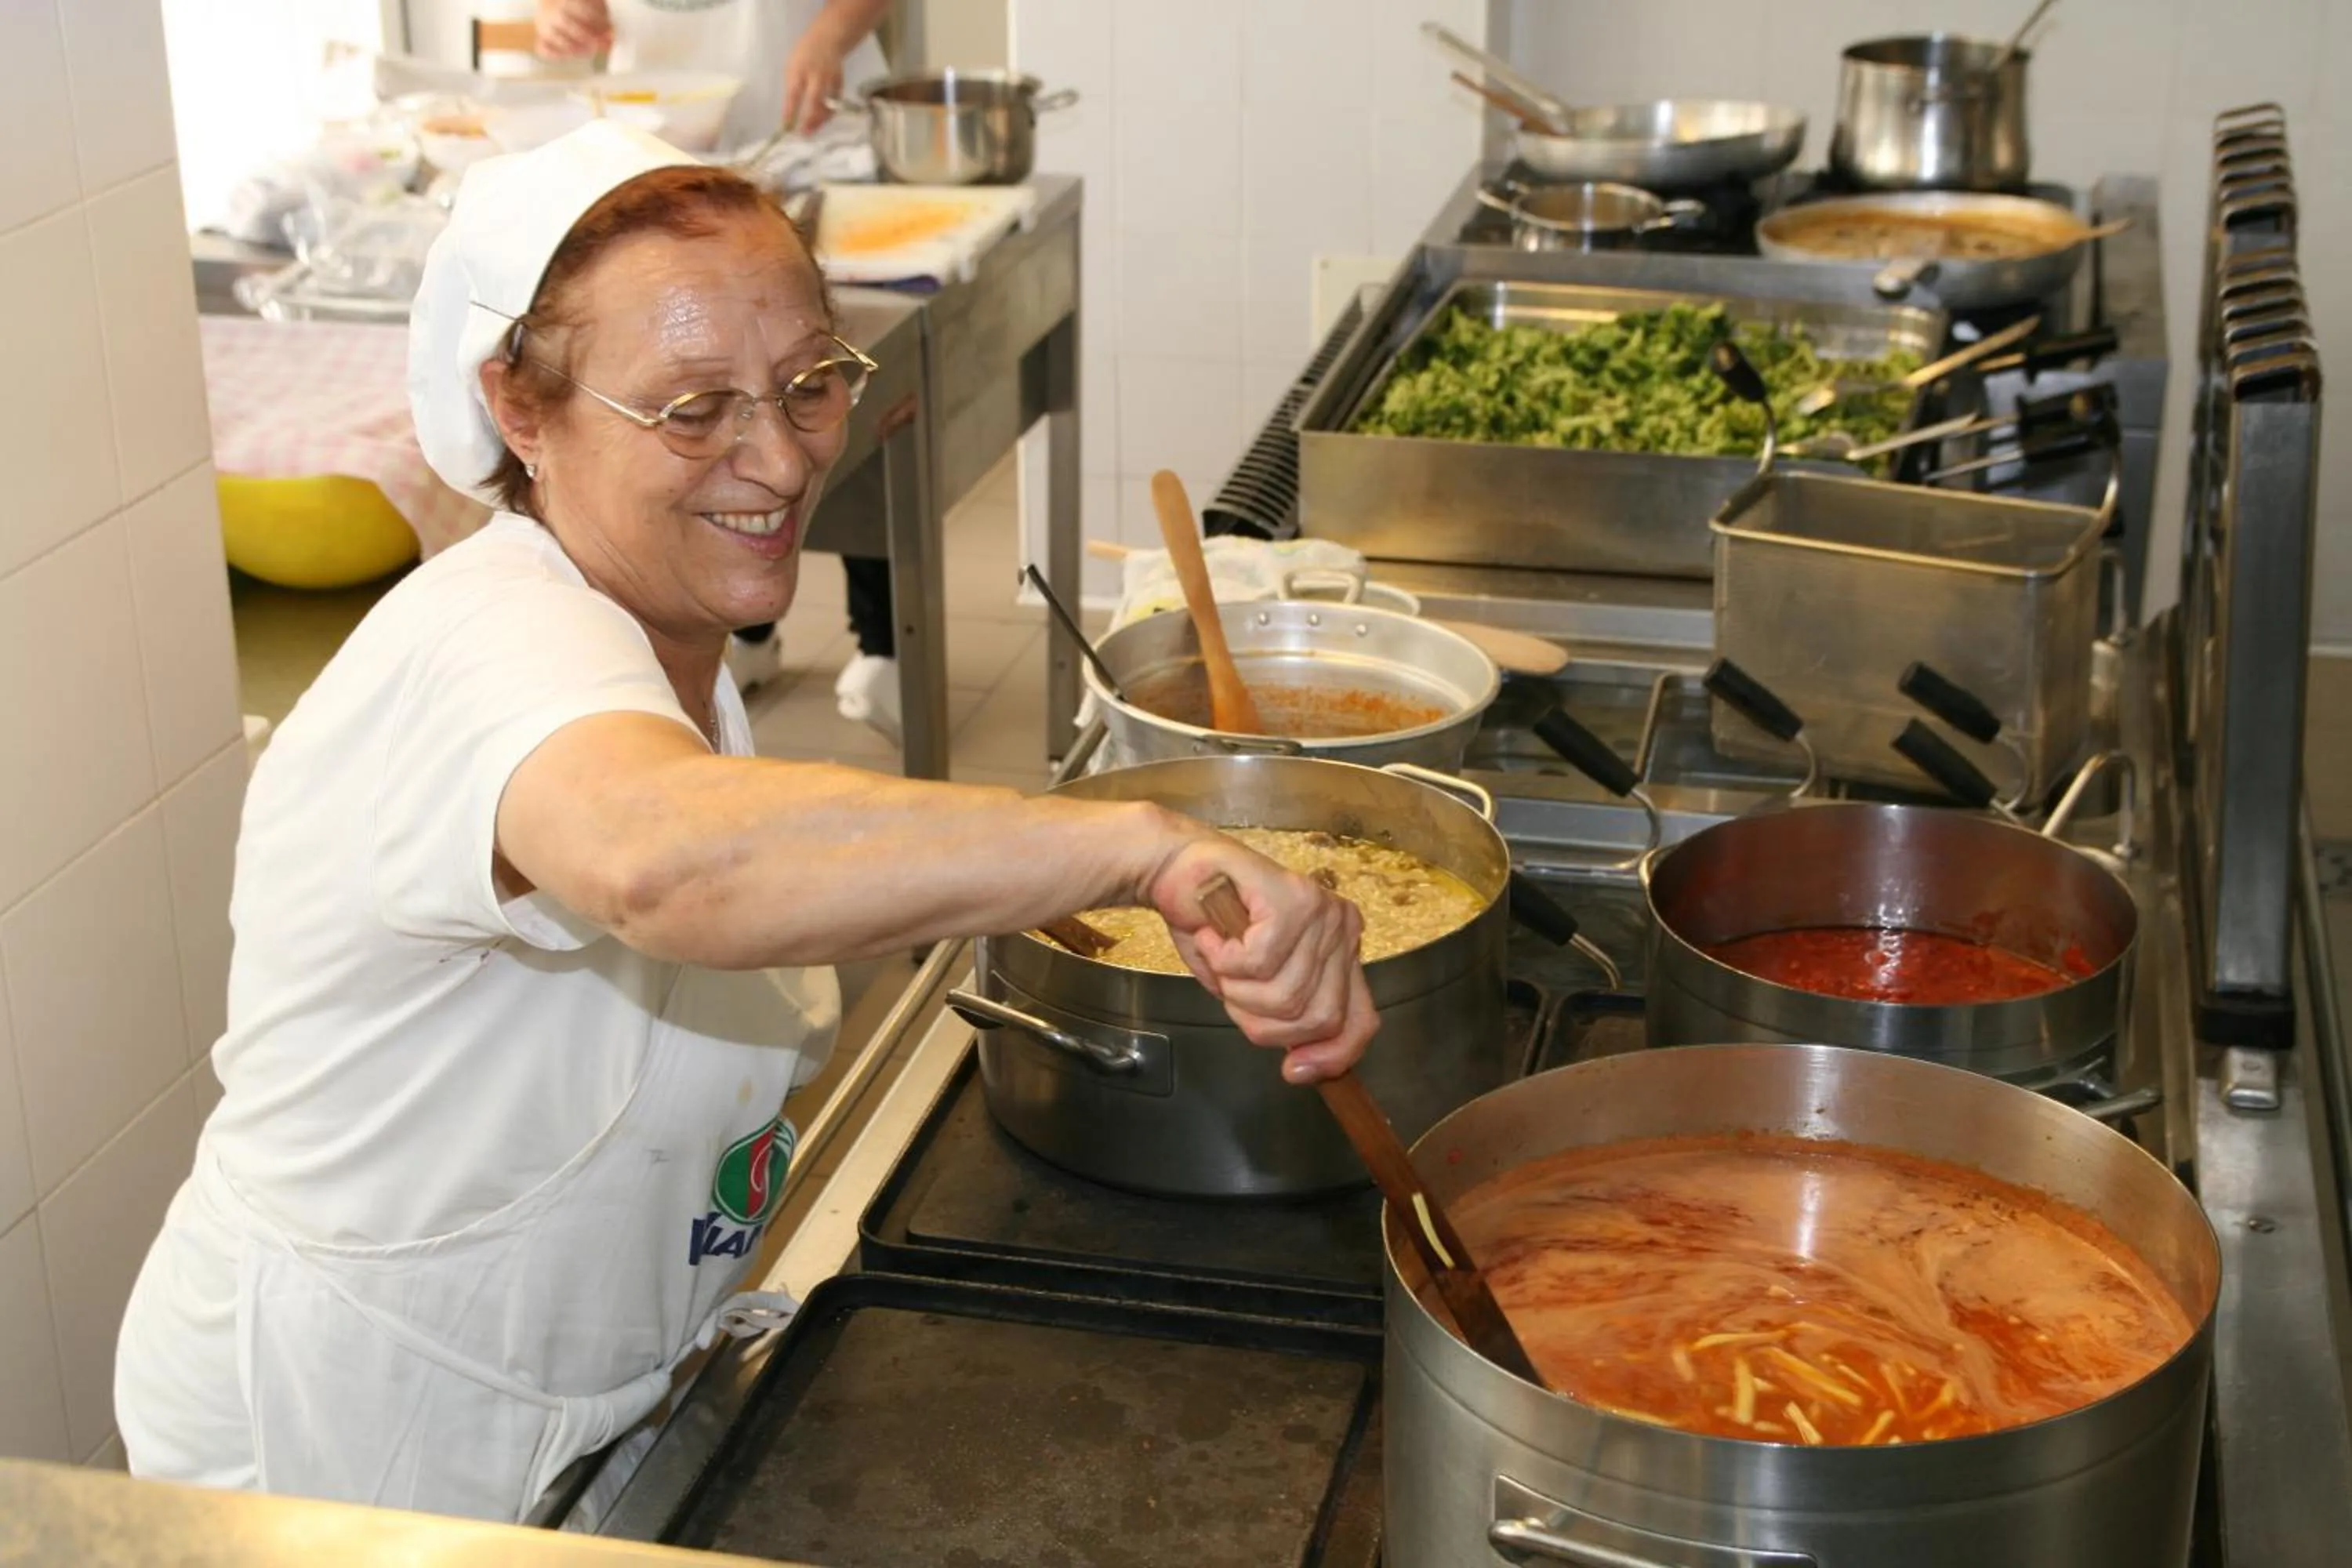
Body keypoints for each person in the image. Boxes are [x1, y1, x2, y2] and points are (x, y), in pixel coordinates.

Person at [113, 122, 1377, 1525]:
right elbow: (666, 859)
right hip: (349, 1449)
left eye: (808, 383)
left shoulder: (669, 651)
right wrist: (1140, 845)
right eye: (693, 409)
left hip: (567, 1414)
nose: (777, 461)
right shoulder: (482, 646)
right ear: (521, 412)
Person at [535, 0, 902, 729]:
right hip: (655, 150)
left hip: (803, 120)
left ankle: (883, 639)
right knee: (714, 435)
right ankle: (747, 637)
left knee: (806, 391)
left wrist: (833, 31)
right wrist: (560, 14)